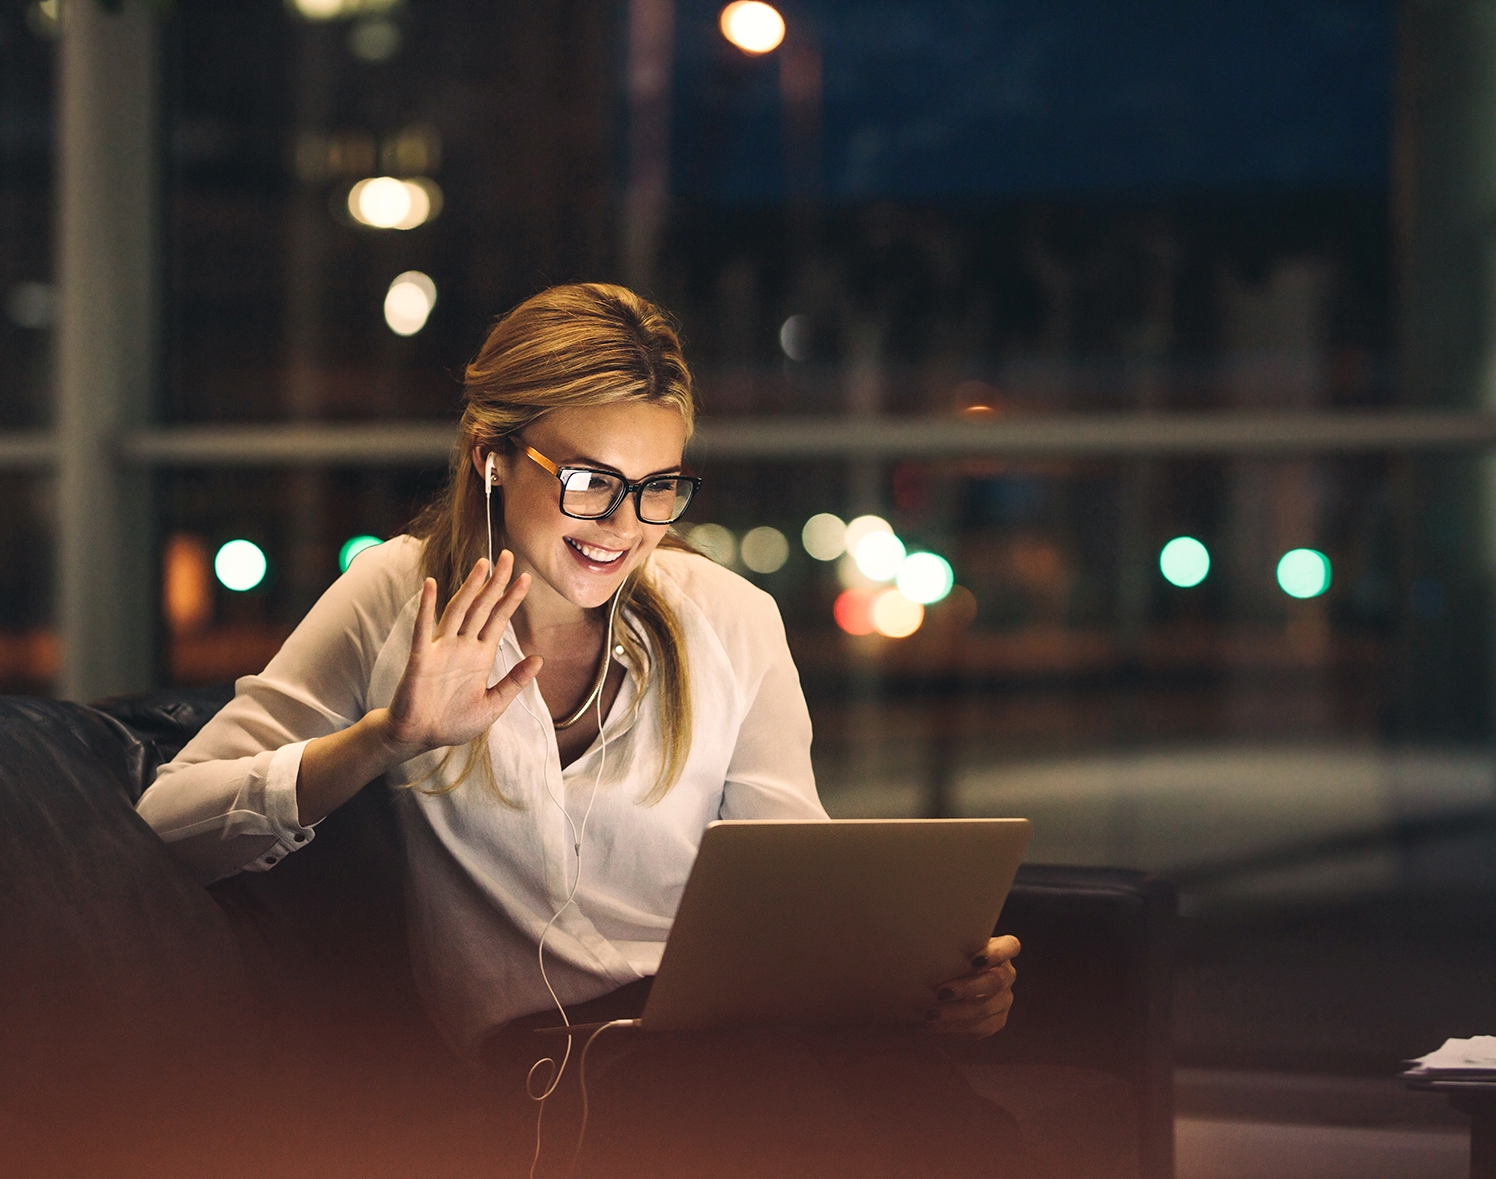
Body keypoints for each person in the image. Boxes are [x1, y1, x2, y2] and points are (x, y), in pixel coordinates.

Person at [136, 283, 1024, 1177]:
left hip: (746, 1040)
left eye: (657, 488)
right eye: (589, 481)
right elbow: (170, 825)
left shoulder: (729, 617)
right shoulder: (395, 598)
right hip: (554, 1064)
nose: (623, 526)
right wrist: (384, 738)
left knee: (921, 1113)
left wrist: (928, 981)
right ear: (492, 457)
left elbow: (794, 883)